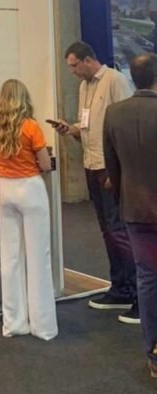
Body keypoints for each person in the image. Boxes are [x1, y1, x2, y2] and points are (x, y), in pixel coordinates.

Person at [54, 41, 138, 323]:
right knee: (107, 230)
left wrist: (119, 170)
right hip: (91, 163)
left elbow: (127, 125)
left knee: (118, 230)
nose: (73, 71)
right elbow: (87, 126)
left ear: (88, 60)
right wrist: (71, 130)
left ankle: (137, 293)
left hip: (109, 167)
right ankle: (120, 287)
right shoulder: (83, 87)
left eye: (74, 66)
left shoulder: (115, 81)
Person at [0, 79, 57, 341]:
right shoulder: (31, 126)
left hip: (5, 189)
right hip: (30, 189)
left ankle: (13, 323)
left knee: (10, 257)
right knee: (38, 257)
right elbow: (45, 164)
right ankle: (43, 326)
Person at [103, 53, 157, 378]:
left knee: (147, 280)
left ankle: (154, 356)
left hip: (135, 210)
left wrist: (125, 196)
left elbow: (112, 168)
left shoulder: (113, 113)